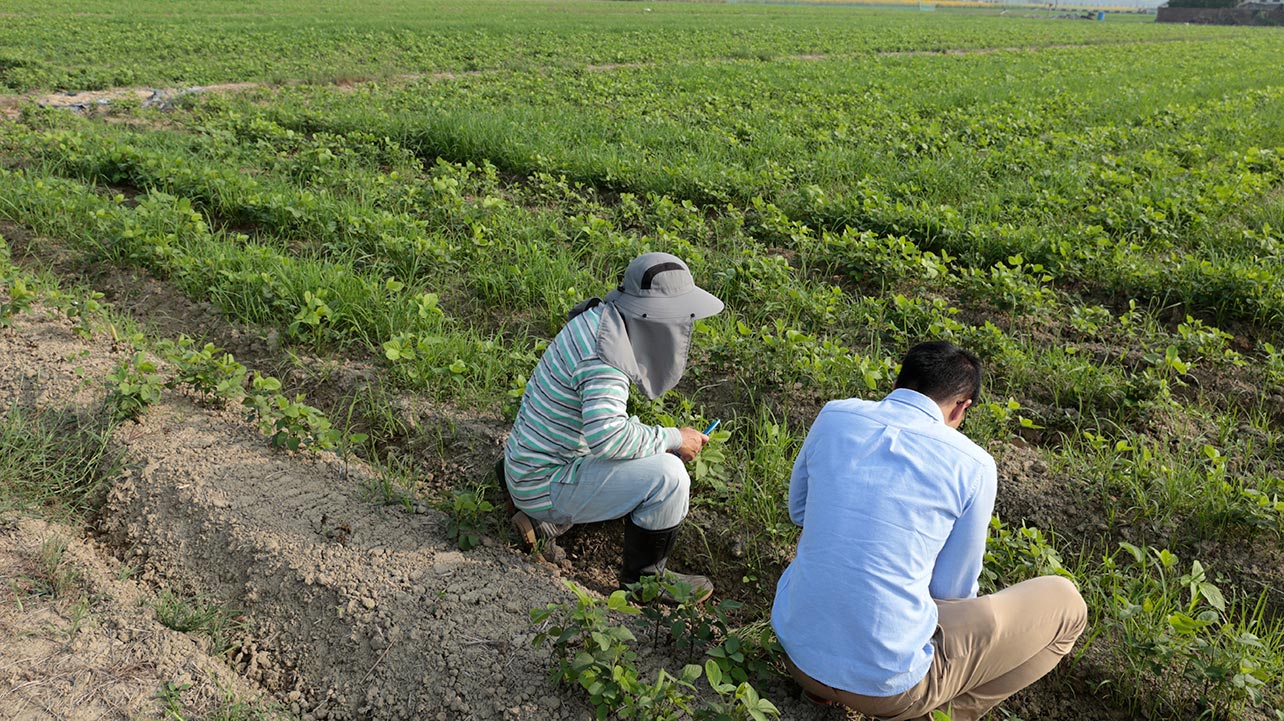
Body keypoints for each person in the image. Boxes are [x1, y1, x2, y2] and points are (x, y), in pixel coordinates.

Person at [771, 341, 1087, 721]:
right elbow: (951, 594)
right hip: (889, 690)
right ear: (962, 406)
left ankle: (823, 690)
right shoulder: (973, 465)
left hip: (798, 655)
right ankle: (935, 716)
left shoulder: (835, 416)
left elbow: (799, 510)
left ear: (900, 381)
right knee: (1067, 604)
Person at [500, 252, 723, 601]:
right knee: (669, 475)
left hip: (529, 463)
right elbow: (609, 439)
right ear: (654, 315)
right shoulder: (605, 356)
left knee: (647, 452)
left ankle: (544, 521)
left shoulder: (601, 319)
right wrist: (674, 438)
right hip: (542, 479)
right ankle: (644, 583)